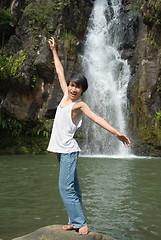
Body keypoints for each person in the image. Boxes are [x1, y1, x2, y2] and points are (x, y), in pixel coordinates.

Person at [47, 37, 130, 235]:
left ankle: (81, 222)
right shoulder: (66, 97)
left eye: (78, 87)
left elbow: (97, 118)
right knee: (73, 188)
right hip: (61, 151)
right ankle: (74, 221)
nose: (73, 89)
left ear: (83, 90)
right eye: (71, 85)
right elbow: (59, 71)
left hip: (68, 152)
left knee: (64, 188)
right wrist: (54, 51)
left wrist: (117, 132)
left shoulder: (79, 105)